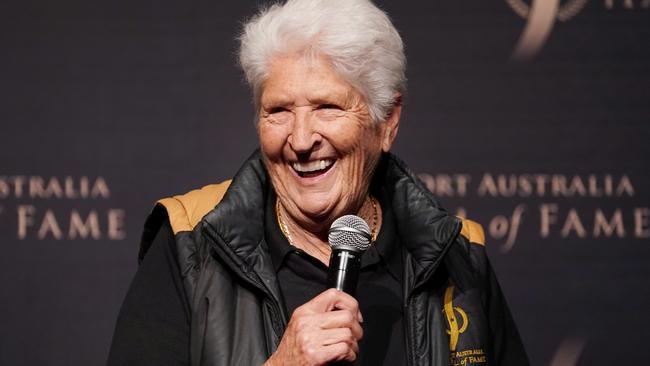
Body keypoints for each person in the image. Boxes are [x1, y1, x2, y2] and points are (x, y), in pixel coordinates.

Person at [107, 0, 529, 365]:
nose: (302, 139)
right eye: (279, 111)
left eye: (327, 107)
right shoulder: (190, 245)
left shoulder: (455, 256)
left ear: (387, 123)